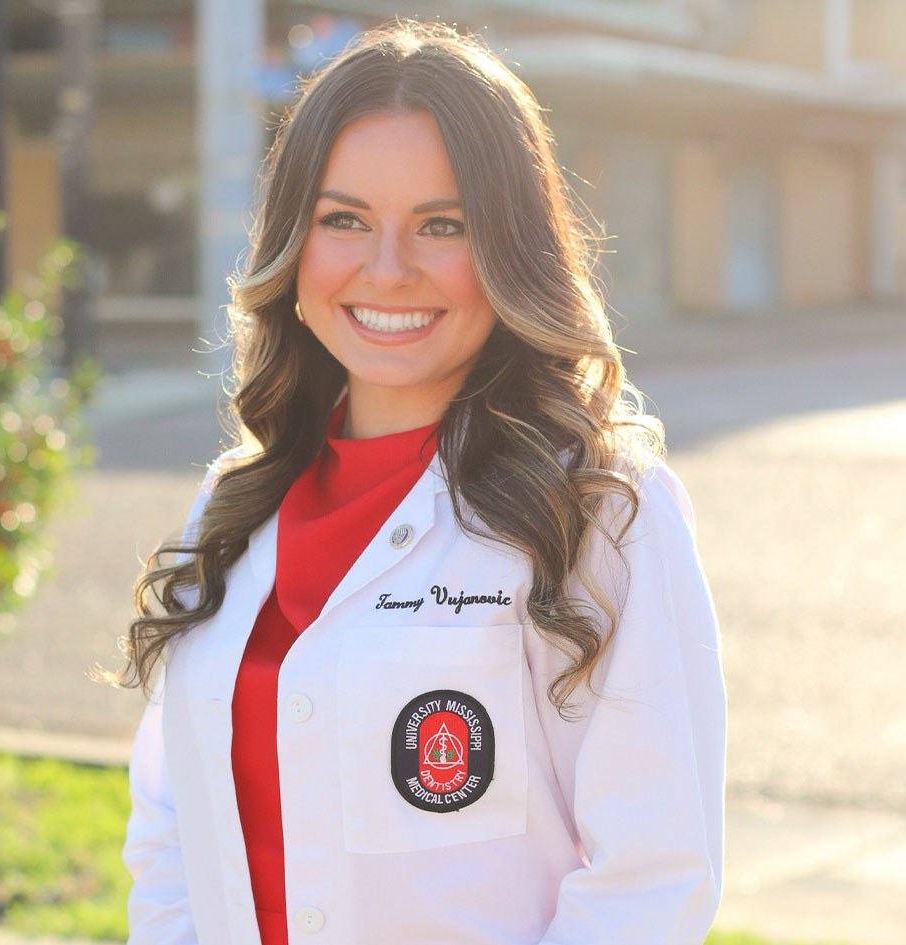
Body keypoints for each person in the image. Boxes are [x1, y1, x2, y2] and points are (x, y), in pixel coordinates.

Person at [118, 19, 726, 945]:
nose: (388, 268)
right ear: (294, 243)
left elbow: (649, 879)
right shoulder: (234, 505)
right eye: (344, 219)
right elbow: (170, 824)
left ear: (510, 250)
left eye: (443, 224)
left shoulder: (597, 510)